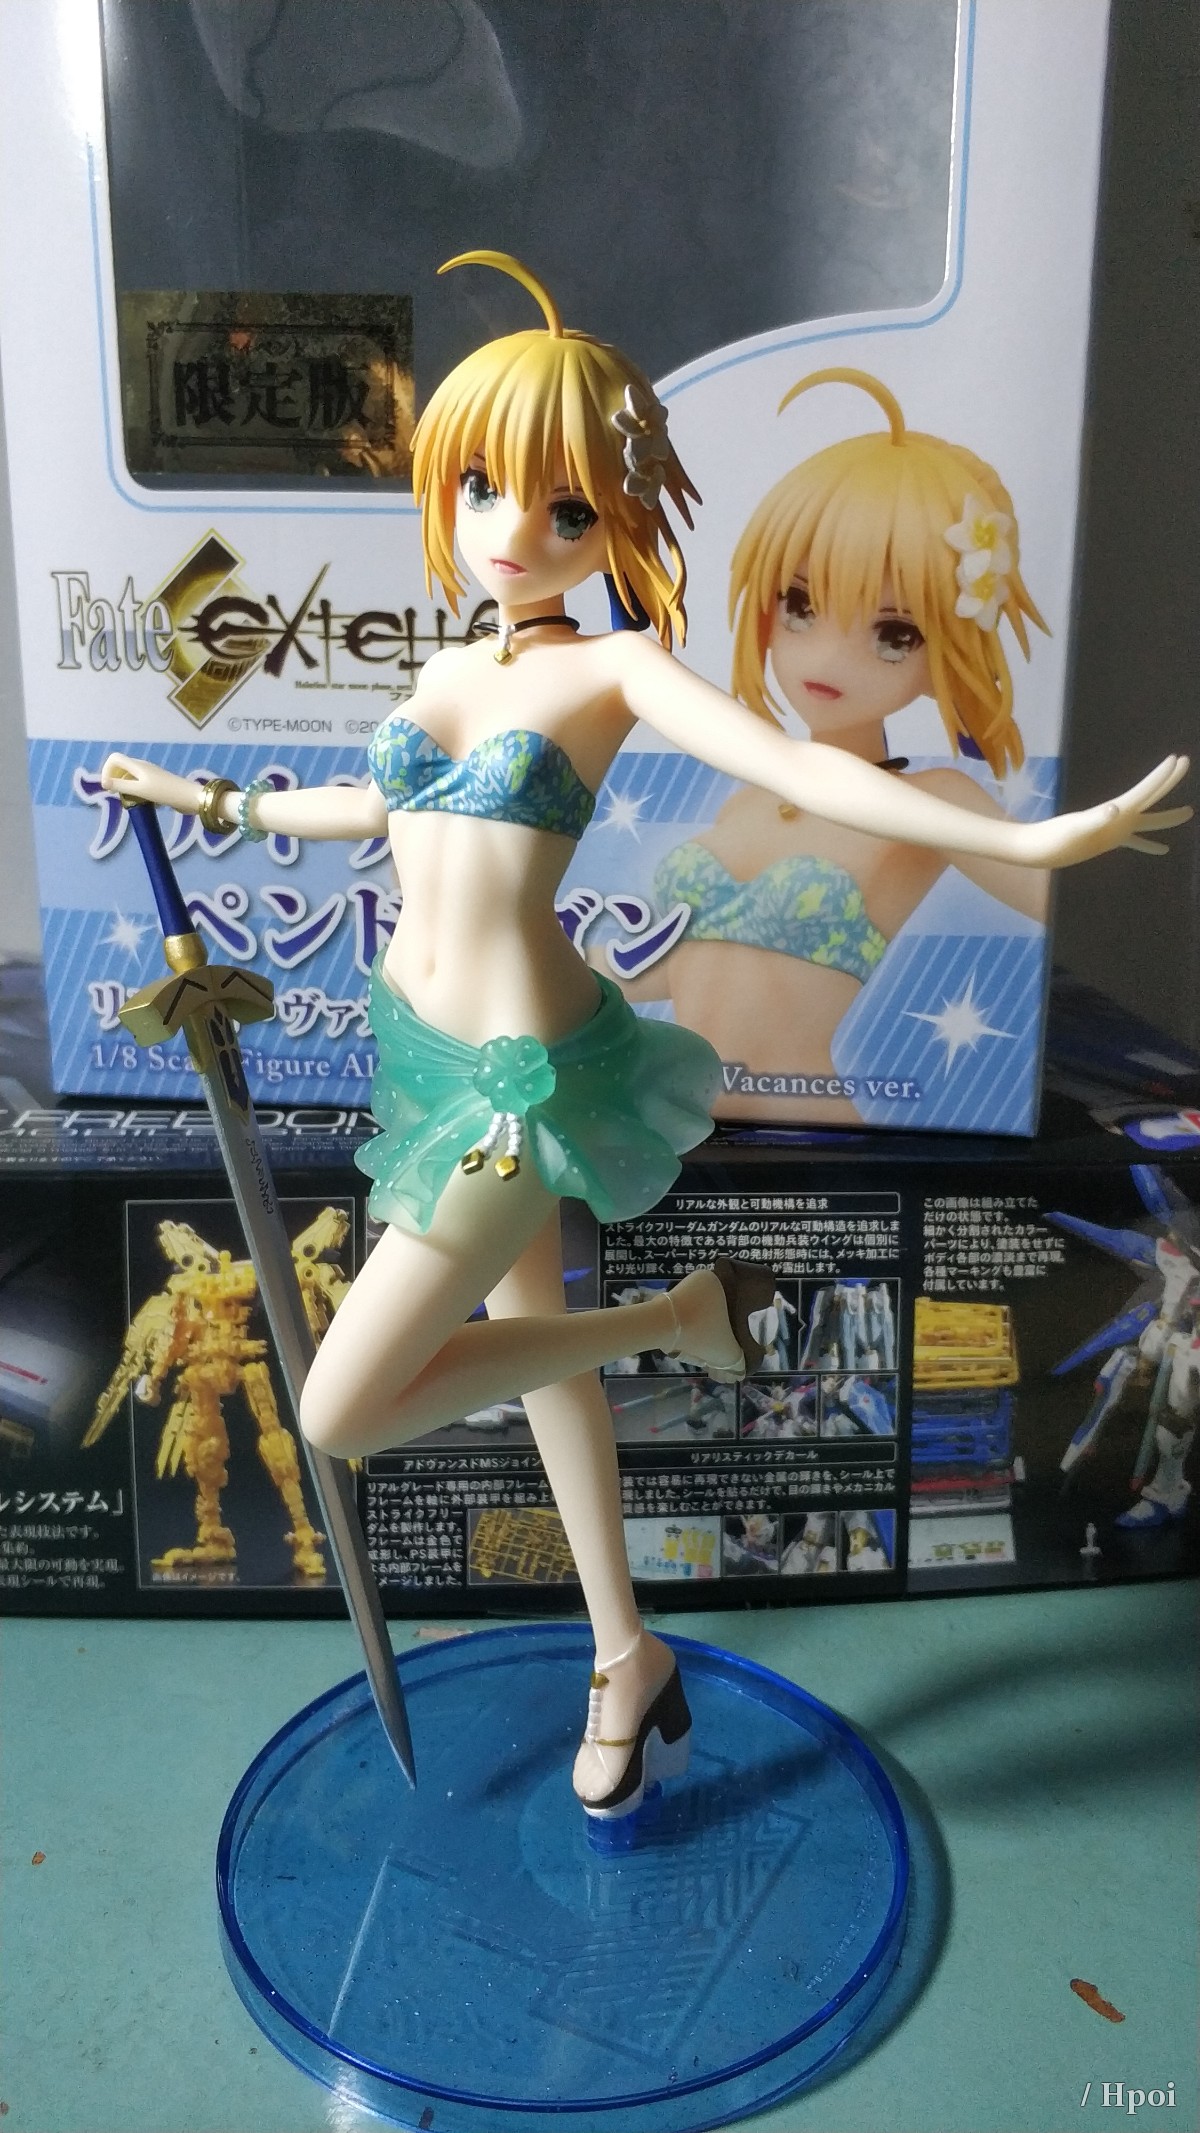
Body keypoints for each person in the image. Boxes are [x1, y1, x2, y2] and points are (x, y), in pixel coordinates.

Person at [102, 260, 1189, 1816]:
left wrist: (1027, 837)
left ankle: (672, 1318)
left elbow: (801, 768)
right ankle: (628, 1651)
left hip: (516, 1083)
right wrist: (205, 798)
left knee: (339, 1410)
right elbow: (375, 806)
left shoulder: (613, 669)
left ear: (612, 520)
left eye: (563, 507)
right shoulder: (449, 669)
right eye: (483, 487)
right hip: (423, 1059)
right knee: (541, 1381)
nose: (513, 530)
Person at [613, 369, 1084, 1122]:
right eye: (800, 605)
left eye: (894, 634)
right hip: (681, 1121)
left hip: (810, 1124)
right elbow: (690, 970)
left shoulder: (928, 801)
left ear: (949, 648)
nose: (829, 659)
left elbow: (1067, 905)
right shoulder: (746, 797)